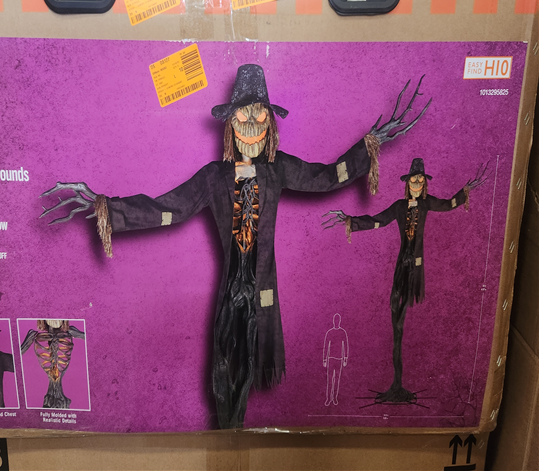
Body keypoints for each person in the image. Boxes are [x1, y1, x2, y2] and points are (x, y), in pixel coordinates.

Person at [42, 65, 429, 428]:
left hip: (262, 292)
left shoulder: (277, 169)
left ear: (270, 122)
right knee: (223, 366)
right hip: (232, 292)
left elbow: (327, 177)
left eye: (260, 115)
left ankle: (235, 433)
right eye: (244, 115)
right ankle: (226, 432)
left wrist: (369, 146)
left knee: (247, 367)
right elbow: (169, 209)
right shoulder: (215, 177)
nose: (252, 124)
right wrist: (107, 208)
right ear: (230, 122)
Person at [323, 158, 487, 404]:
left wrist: (465, 192)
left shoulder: (427, 204)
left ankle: (398, 384)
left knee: (401, 320)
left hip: (415, 269)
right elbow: (378, 220)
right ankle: (396, 385)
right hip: (401, 267)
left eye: (421, 179)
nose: (417, 183)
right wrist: (351, 221)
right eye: (414, 179)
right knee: (394, 313)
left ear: (424, 183)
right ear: (408, 183)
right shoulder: (400, 207)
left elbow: (448, 204)